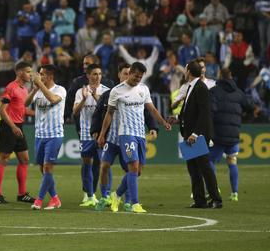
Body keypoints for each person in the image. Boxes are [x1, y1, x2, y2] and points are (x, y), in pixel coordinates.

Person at [98, 62, 172, 213]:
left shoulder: (143, 89)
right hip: (126, 133)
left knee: (138, 171)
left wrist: (163, 122)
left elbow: (151, 109)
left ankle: (116, 195)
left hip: (140, 134)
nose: (137, 79)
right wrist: (101, 134)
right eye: (135, 76)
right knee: (133, 166)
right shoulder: (117, 91)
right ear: (130, 72)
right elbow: (109, 114)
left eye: (140, 77)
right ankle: (134, 203)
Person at [178, 61, 223, 209]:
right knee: (193, 168)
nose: (184, 73)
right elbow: (191, 111)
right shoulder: (192, 87)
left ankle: (216, 199)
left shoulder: (201, 88)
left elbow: (205, 113)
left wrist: (196, 133)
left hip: (197, 135)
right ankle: (199, 200)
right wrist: (178, 118)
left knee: (204, 168)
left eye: (185, 70)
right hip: (189, 134)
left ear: (189, 71)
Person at [0, 61, 35, 205]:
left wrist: (40, 114)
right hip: (8, 127)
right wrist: (12, 127)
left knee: (24, 159)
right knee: (3, 159)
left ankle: (22, 193)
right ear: (19, 73)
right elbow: (1, 110)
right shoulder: (11, 87)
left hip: (18, 126)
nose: (31, 74)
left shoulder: (24, 89)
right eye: (28, 71)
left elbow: (22, 109)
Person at [25, 65, 66, 210]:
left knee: (48, 167)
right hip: (39, 135)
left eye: (42, 74)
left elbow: (53, 100)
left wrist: (40, 85)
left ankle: (39, 200)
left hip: (54, 135)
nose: (39, 76)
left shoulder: (60, 90)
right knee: (43, 169)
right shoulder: (38, 91)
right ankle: (55, 198)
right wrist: (34, 89)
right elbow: (25, 104)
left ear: (49, 76)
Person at [209, 68, 253, 202]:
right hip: (234, 134)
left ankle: (214, 189)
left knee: (210, 161)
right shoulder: (239, 93)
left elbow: (211, 109)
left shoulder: (214, 91)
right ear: (231, 76)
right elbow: (249, 107)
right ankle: (235, 193)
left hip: (219, 134)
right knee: (232, 161)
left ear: (220, 76)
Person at [73, 63, 109, 207]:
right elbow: (75, 112)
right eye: (94, 74)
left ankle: (105, 195)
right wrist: (83, 99)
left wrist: (95, 96)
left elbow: (108, 111)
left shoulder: (107, 91)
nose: (97, 77)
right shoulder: (80, 91)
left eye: (99, 74)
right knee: (87, 163)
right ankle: (89, 195)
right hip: (86, 134)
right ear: (88, 76)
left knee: (104, 164)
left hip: (102, 133)